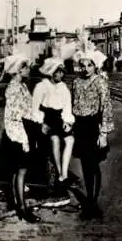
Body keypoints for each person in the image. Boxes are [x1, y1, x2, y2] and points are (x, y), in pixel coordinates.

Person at [0, 53, 41, 223]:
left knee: (20, 170)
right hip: (17, 133)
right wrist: (24, 140)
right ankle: (22, 208)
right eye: (26, 67)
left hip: (21, 131)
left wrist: (39, 119)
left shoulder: (20, 85)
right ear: (18, 70)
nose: (29, 70)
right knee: (21, 170)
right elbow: (14, 116)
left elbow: (28, 109)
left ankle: (18, 202)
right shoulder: (15, 88)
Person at [72, 49, 114, 220]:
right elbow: (73, 104)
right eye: (83, 65)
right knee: (85, 165)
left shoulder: (100, 82)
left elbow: (106, 107)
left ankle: (92, 203)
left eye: (89, 65)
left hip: (93, 126)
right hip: (80, 126)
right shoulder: (76, 82)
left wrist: (103, 132)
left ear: (95, 66)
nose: (86, 69)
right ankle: (90, 201)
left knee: (93, 164)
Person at [33, 58, 75, 195]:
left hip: (58, 119)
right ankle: (58, 172)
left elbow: (67, 108)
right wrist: (41, 122)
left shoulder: (63, 87)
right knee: (55, 140)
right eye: (58, 72)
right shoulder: (41, 86)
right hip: (46, 119)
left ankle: (64, 174)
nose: (61, 75)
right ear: (51, 72)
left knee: (70, 139)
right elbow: (35, 109)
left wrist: (67, 122)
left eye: (62, 72)